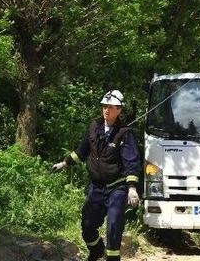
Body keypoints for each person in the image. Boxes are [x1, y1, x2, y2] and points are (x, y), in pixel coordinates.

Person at [52, 90, 140, 261]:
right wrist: (64, 163)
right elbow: (81, 151)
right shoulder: (94, 127)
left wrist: (131, 188)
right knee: (87, 226)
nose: (106, 110)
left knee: (114, 226)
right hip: (96, 188)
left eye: (111, 107)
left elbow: (131, 161)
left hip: (117, 188)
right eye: (104, 106)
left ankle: (112, 258)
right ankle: (97, 250)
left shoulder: (125, 133)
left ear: (119, 110)